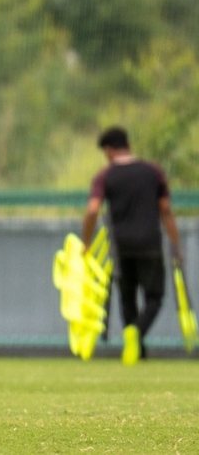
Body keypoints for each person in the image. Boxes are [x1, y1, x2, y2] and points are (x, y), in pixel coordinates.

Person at [81, 126, 183, 365]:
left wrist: (86, 243)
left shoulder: (105, 175)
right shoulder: (153, 171)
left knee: (127, 298)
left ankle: (136, 346)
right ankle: (136, 334)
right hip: (149, 243)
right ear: (127, 144)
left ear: (109, 150)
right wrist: (175, 243)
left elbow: (93, 209)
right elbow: (165, 209)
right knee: (154, 297)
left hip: (120, 246)